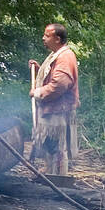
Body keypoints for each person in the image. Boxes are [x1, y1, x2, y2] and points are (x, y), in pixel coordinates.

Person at [29, 23, 79, 176]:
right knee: (50, 147)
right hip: (52, 111)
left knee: (57, 149)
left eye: (47, 35)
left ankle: (57, 180)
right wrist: (38, 69)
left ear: (57, 38)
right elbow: (53, 75)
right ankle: (50, 177)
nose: (43, 38)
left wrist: (37, 92)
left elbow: (59, 85)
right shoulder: (56, 54)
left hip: (58, 112)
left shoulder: (65, 57)